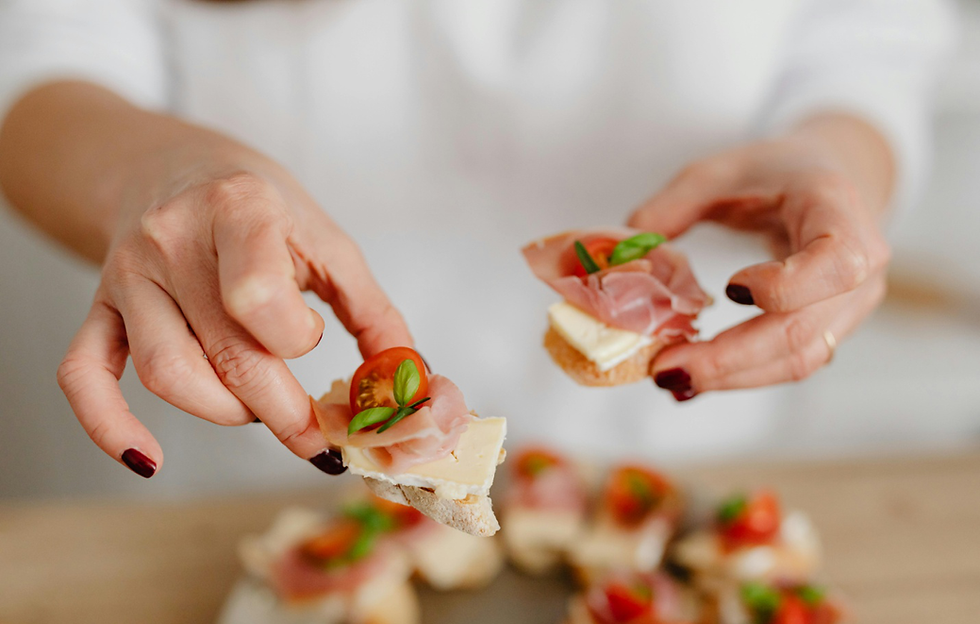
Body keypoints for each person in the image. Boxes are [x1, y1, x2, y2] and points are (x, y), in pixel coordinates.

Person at [0, 0, 953, 491]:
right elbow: (43, 52)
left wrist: (834, 163)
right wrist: (152, 176)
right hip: (244, 437)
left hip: (682, 445)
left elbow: (868, 42)